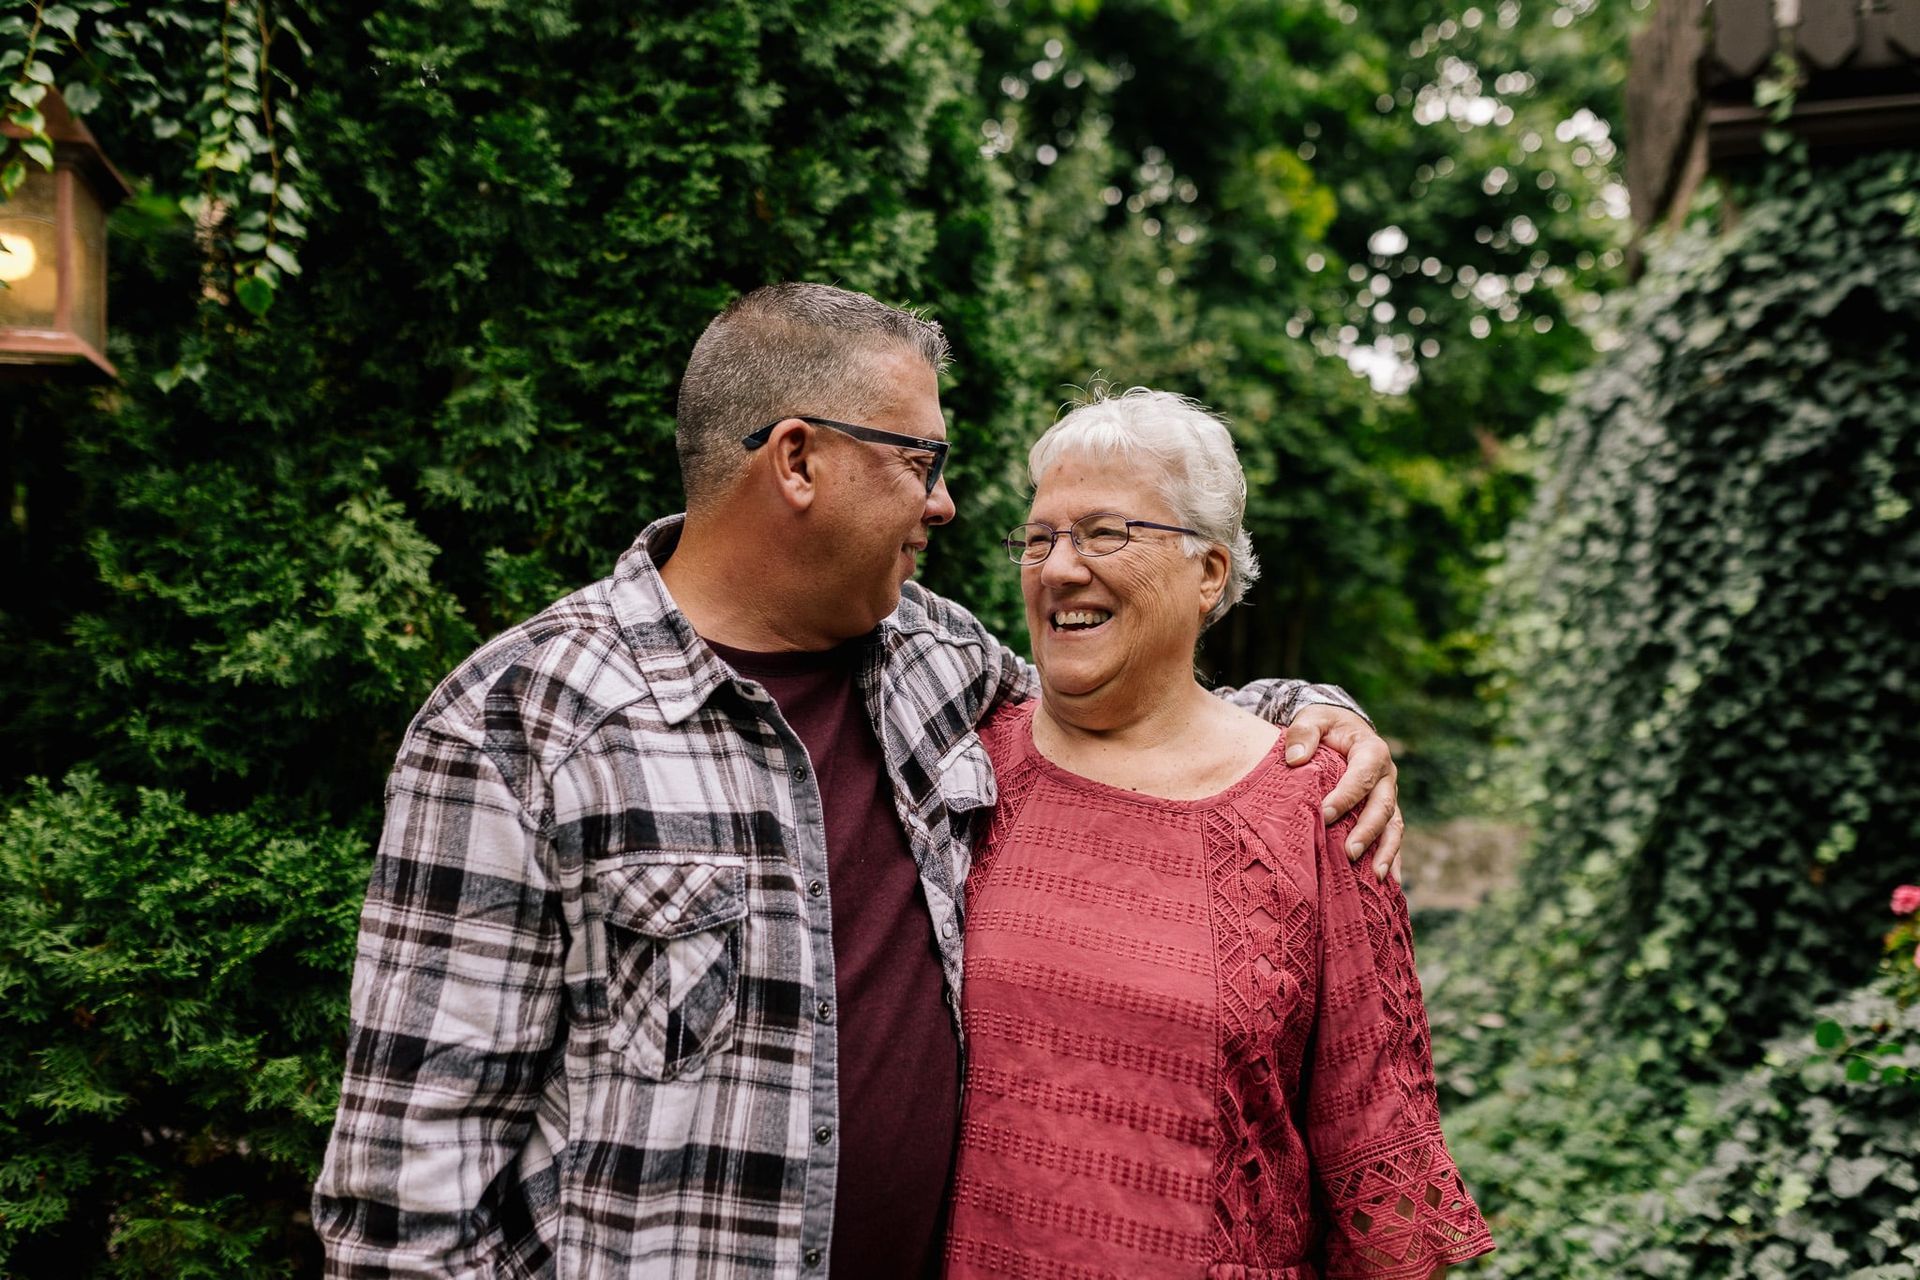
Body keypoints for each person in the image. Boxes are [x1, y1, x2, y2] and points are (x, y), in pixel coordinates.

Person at [313, 284, 1404, 1279]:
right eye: (920, 461)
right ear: (798, 461)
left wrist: (1316, 714)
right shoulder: (520, 724)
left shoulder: (933, 660)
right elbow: (408, 1196)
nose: (948, 504)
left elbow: (1133, 702)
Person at [944, 388, 1491, 1279]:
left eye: (1106, 533)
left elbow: (1373, 1146)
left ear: (1210, 572)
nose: (1059, 568)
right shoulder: (961, 772)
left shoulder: (1315, 801)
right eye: (1039, 538)